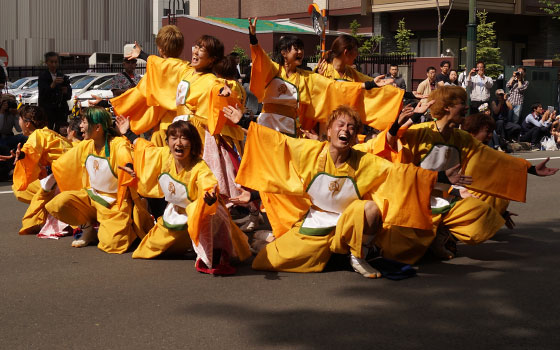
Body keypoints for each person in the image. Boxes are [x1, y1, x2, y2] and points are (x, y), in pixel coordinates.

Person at [235, 105, 437, 278]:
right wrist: (243, 122)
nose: (346, 130)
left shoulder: (364, 160)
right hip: (317, 221)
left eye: (351, 127)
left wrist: (442, 182)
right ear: (329, 131)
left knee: (371, 209)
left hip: (349, 222)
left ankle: (359, 255)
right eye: (341, 125)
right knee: (265, 261)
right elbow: (278, 144)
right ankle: (269, 240)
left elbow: (400, 174)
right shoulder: (310, 152)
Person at [247, 17, 403, 238]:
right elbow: (260, 59)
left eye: (301, 49)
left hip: (290, 132)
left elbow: (333, 88)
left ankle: (285, 220)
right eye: (295, 49)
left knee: (286, 177)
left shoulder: (308, 77)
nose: (300, 52)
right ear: (283, 52)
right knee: (264, 175)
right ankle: (259, 213)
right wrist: (253, 39)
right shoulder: (274, 71)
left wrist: (369, 85)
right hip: (267, 130)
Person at [363, 86, 558, 262]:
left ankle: (441, 233)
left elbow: (494, 158)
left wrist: (531, 169)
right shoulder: (420, 131)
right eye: (461, 104)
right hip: (414, 201)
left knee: (483, 218)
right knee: (396, 252)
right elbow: (390, 143)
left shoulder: (462, 138)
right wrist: (409, 119)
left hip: (445, 200)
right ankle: (426, 238)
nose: (466, 108)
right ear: (447, 107)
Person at [117, 117, 250, 273]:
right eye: (174, 138)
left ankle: (213, 251)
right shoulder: (164, 155)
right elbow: (144, 150)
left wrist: (210, 196)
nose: (178, 143)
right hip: (176, 214)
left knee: (205, 211)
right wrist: (128, 134)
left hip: (199, 218)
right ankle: (191, 245)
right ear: (168, 142)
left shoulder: (199, 167)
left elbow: (207, 183)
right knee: (144, 251)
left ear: (193, 144)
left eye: (184, 138)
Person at [45, 107, 149, 252]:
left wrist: (130, 166)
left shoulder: (117, 144)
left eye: (84, 122)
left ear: (98, 127)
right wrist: (37, 159)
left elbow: (126, 156)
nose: (81, 126)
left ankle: (128, 226)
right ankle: (88, 228)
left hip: (113, 204)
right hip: (91, 197)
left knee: (113, 245)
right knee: (57, 204)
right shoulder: (86, 145)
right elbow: (63, 161)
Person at [111, 25, 189, 146]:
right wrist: (142, 54)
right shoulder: (188, 69)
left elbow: (137, 95)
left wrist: (108, 104)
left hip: (164, 128)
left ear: (160, 49)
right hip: (187, 126)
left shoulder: (155, 72)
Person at [0, 105, 73, 235]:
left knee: (24, 190)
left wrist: (21, 156)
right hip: (69, 174)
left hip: (64, 176)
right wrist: (19, 156)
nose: (19, 123)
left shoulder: (37, 135)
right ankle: (53, 214)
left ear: (27, 123)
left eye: (20, 120)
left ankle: (34, 223)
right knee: (32, 188)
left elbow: (29, 152)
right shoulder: (48, 133)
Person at [38, 52, 72, 133]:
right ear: (47, 63)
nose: (54, 64)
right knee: (46, 132)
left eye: (56, 62)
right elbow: (42, 94)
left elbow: (68, 96)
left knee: (60, 132)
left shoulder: (62, 76)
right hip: (47, 110)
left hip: (60, 110)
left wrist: (65, 91)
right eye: (51, 62)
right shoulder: (43, 76)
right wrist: (52, 85)